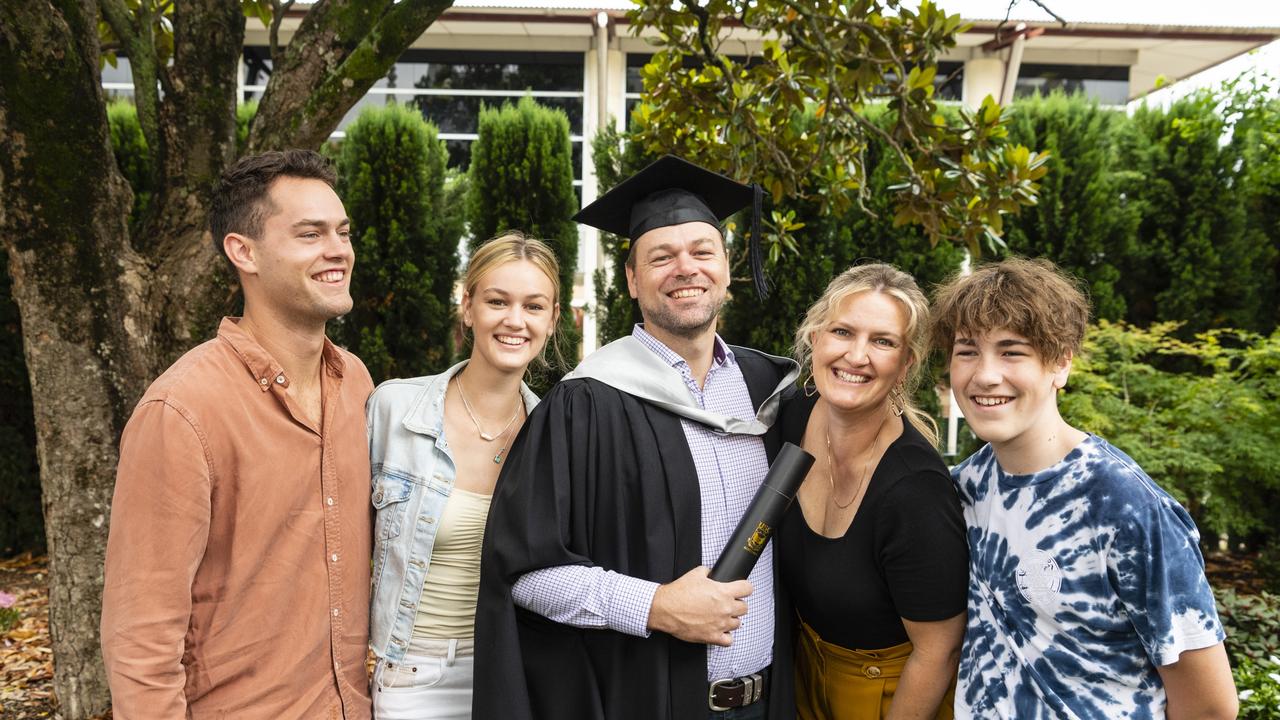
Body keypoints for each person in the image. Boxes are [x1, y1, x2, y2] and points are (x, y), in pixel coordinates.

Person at [473, 155, 800, 720]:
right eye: (661, 257)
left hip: (771, 703)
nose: (685, 268)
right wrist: (656, 605)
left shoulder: (771, 388)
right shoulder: (585, 403)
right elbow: (523, 576)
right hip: (649, 703)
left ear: (726, 266)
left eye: (702, 251)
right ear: (630, 279)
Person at [100, 150, 375, 719]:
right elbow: (140, 643)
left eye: (343, 232)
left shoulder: (357, 386)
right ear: (242, 251)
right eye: (310, 234)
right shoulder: (181, 412)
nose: (338, 251)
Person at [930, 257, 1238, 720]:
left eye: (1012, 351)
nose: (985, 375)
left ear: (1060, 364)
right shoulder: (964, 489)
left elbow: (1211, 707)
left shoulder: (1125, 505)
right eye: (967, 350)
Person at [365, 232, 562, 719]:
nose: (514, 320)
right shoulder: (394, 410)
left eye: (533, 306)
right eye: (498, 301)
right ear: (468, 306)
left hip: (515, 678)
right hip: (411, 679)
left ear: (553, 320)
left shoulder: (556, 438)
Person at [777, 263, 967, 720]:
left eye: (883, 342)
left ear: (906, 365)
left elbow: (938, 651)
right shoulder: (789, 418)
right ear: (815, 338)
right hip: (801, 676)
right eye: (843, 331)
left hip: (888, 693)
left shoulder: (915, 490)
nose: (857, 355)